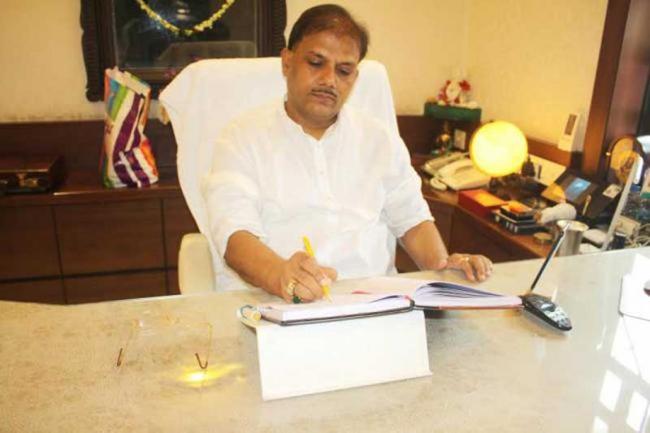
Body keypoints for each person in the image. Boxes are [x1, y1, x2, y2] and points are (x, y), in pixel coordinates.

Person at [204, 4, 492, 303]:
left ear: (354, 78)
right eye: (316, 63)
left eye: (343, 71)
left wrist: (443, 268)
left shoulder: (380, 139)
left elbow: (413, 221)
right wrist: (280, 275)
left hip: (376, 307)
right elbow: (234, 234)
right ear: (287, 62)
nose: (329, 80)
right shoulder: (241, 137)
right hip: (279, 304)